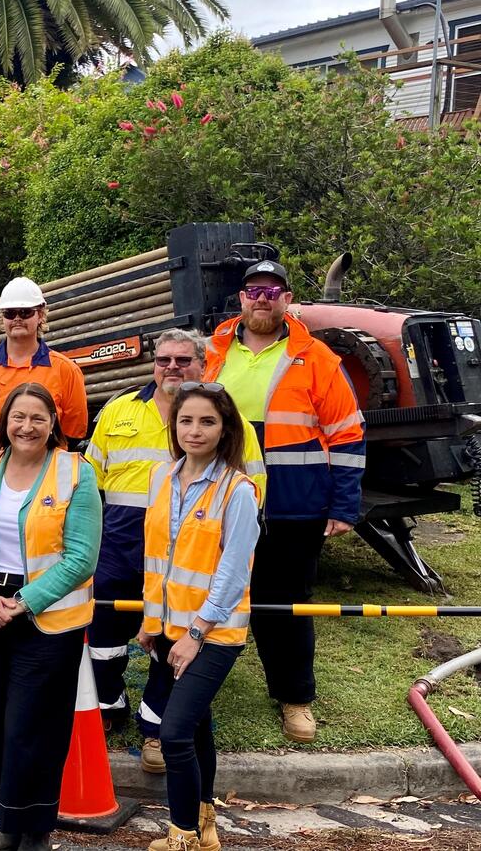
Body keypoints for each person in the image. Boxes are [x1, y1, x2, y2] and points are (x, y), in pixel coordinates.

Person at [85, 329, 265, 773]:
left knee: (172, 643)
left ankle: (155, 729)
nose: (172, 367)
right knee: (105, 635)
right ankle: (109, 705)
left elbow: (252, 488)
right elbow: (89, 481)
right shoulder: (119, 410)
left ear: (202, 366)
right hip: (121, 546)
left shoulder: (230, 422)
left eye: (183, 360)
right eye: (164, 359)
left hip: (191, 556)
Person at [204, 260, 365, 743]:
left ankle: (295, 699)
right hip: (219, 504)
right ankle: (195, 687)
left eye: (273, 291)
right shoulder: (212, 352)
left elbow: (347, 434)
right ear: (241, 298)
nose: (262, 298)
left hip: (292, 508)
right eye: (254, 290)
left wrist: (342, 506)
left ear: (287, 299)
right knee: (208, 597)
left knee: (287, 606)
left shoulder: (316, 358)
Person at [0, 382, 101, 851]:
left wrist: (26, 601)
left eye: (38, 417)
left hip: (47, 620)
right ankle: (4, 821)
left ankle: (35, 827)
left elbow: (82, 557)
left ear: (53, 424)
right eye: (19, 417)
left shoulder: (76, 473)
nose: (27, 426)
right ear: (4, 422)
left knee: (32, 725)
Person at [136, 382, 260, 851]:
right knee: (197, 726)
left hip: (213, 634)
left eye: (207, 421)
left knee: (174, 731)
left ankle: (182, 835)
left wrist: (195, 632)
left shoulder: (238, 490)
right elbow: (156, 559)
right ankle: (206, 825)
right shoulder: (161, 478)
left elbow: (233, 573)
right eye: (186, 420)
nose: (195, 430)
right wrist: (152, 620)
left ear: (226, 427)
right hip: (168, 630)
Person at [0, 277, 88, 451]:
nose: (17, 318)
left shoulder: (65, 370)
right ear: (2, 318)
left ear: (40, 315)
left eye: (25, 312)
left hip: (45, 462)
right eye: (10, 313)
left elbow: (74, 431)